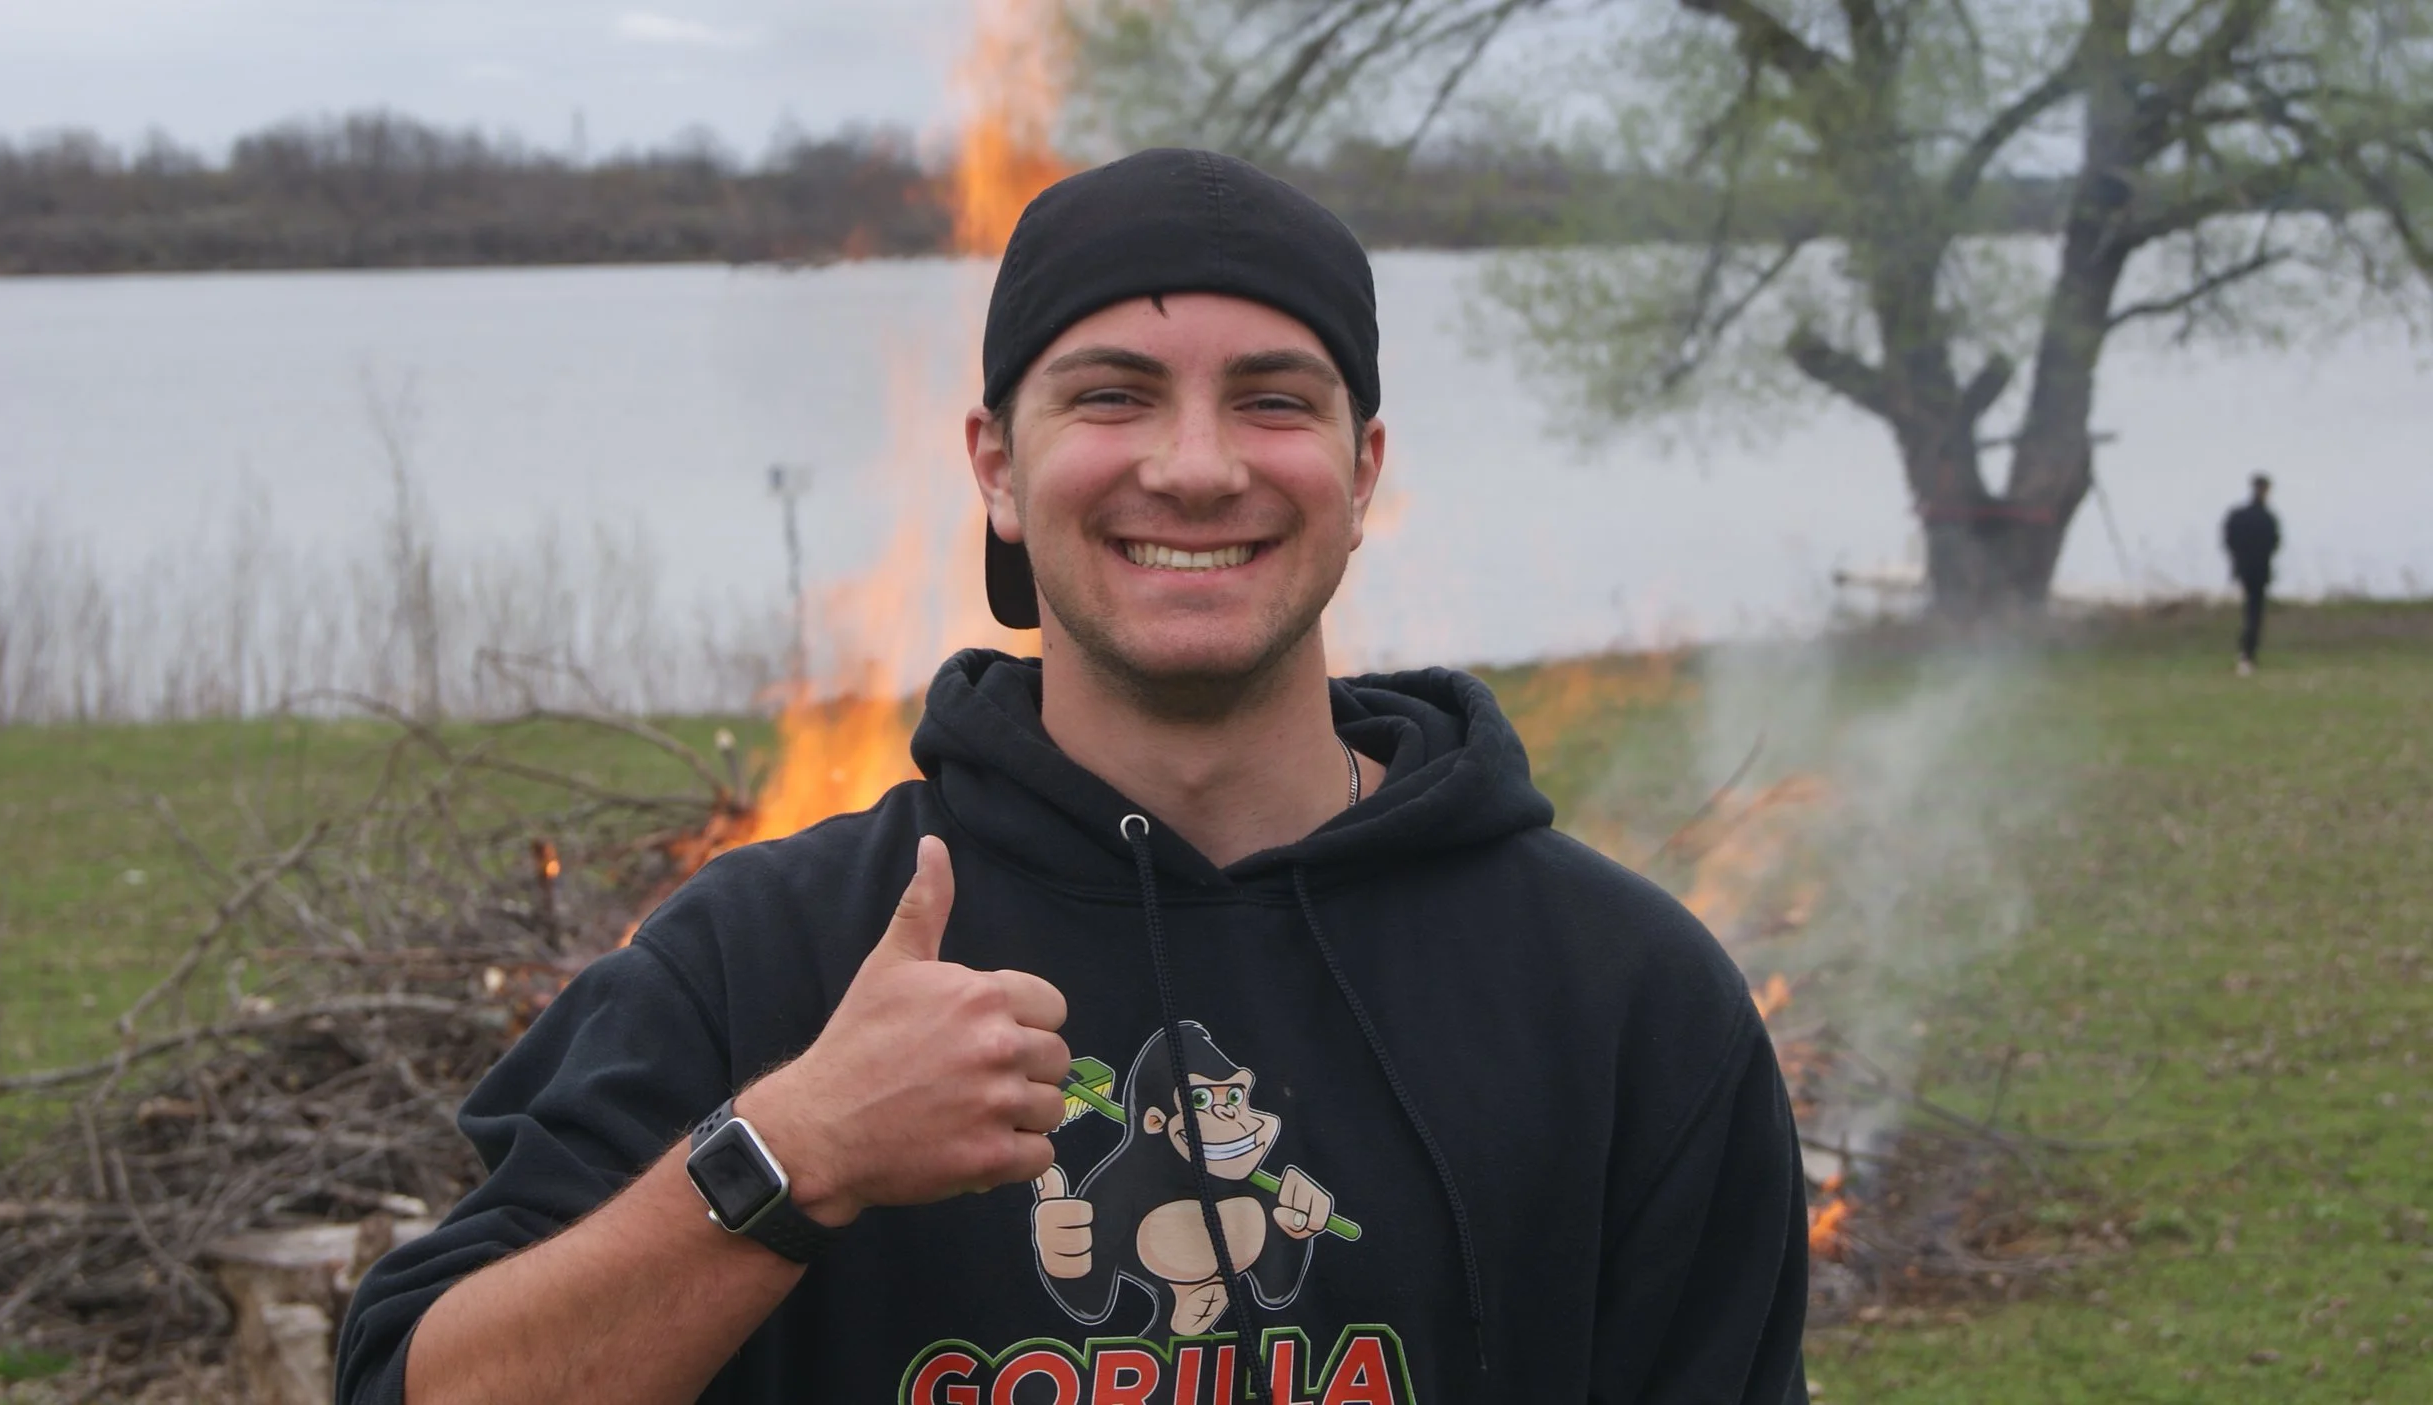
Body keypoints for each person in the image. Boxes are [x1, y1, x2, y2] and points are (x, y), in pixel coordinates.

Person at [337, 149, 1808, 1405]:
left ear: (1364, 473)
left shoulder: (1618, 995)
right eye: (1112, 396)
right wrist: (796, 1154)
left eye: (1272, 401)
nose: (1193, 466)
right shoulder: (769, 957)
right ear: (992, 465)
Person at [2223, 474, 2282, 674]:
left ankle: (2245, 651)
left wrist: (2238, 561)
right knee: (2255, 613)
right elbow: (2275, 544)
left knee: (2250, 610)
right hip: (2260, 571)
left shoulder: (2238, 516)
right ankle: (2248, 652)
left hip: (2244, 570)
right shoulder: (2267, 518)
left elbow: (2229, 541)